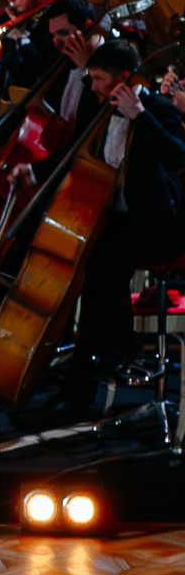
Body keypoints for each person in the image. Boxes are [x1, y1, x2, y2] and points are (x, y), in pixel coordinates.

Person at [68, 38, 185, 414]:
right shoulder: (102, 106)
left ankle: (122, 345)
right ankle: (82, 381)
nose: (94, 85)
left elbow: (175, 155)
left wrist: (140, 116)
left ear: (122, 77)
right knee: (89, 272)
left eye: (100, 78)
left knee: (103, 270)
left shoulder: (155, 108)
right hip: (116, 216)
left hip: (154, 224)